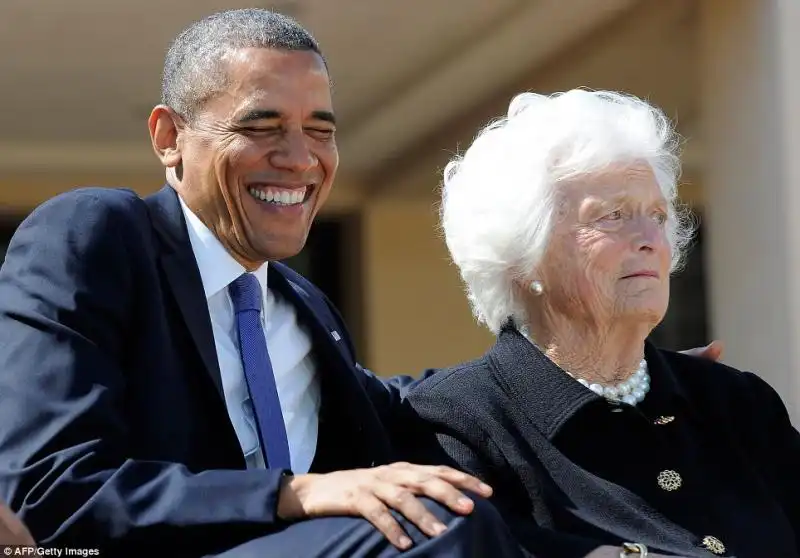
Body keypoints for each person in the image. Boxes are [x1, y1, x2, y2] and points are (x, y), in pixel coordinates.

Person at [0, 9, 524, 558]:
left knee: (453, 509)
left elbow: (417, 412)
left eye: (320, 131)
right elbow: (49, 491)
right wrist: (292, 493)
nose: (300, 159)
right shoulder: (101, 236)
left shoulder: (303, 308)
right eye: (260, 127)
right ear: (169, 136)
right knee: (439, 528)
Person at [404, 89, 800, 558]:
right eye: (612, 216)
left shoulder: (738, 403)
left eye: (657, 215)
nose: (652, 238)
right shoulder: (456, 423)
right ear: (523, 256)